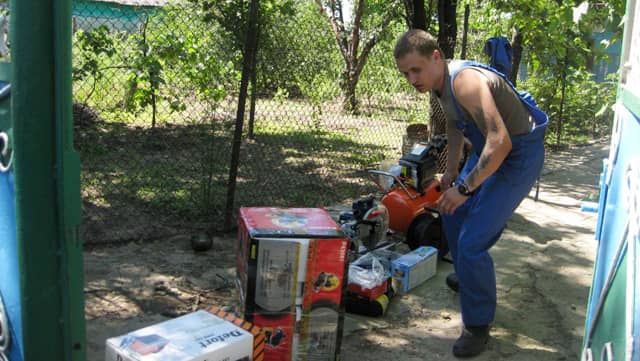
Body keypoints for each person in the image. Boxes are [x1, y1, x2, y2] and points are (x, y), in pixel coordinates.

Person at [394, 29, 548, 357]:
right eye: (405, 73)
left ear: (436, 57)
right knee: (451, 209)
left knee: (472, 241)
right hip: (487, 148)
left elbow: (501, 142)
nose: (411, 79)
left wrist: (466, 188)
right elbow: (455, 125)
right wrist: (450, 173)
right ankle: (468, 276)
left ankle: (477, 325)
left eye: (415, 70)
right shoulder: (439, 85)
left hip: (517, 154)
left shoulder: (464, 81)